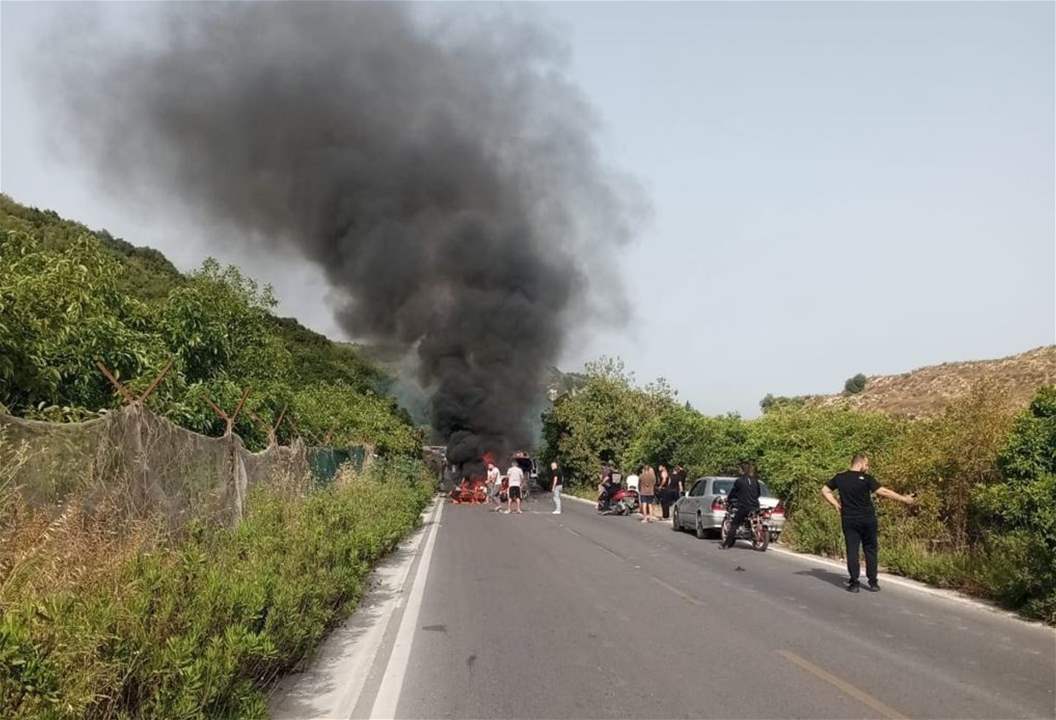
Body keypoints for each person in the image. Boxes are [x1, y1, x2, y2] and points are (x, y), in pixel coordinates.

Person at [822, 453, 915, 592]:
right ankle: (873, 582)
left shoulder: (840, 478)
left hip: (849, 519)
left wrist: (835, 504)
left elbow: (825, 490)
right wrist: (904, 499)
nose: (867, 467)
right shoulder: (866, 479)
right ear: (859, 463)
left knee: (852, 550)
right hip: (868, 519)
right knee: (870, 549)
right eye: (866, 464)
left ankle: (854, 583)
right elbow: (884, 491)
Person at [720, 461, 761, 548]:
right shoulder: (755, 480)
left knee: (734, 524)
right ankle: (753, 535)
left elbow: (733, 492)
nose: (738, 470)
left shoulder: (739, 481)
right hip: (756, 506)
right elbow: (758, 494)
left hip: (744, 507)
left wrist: (729, 499)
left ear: (742, 470)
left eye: (739, 469)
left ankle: (726, 544)